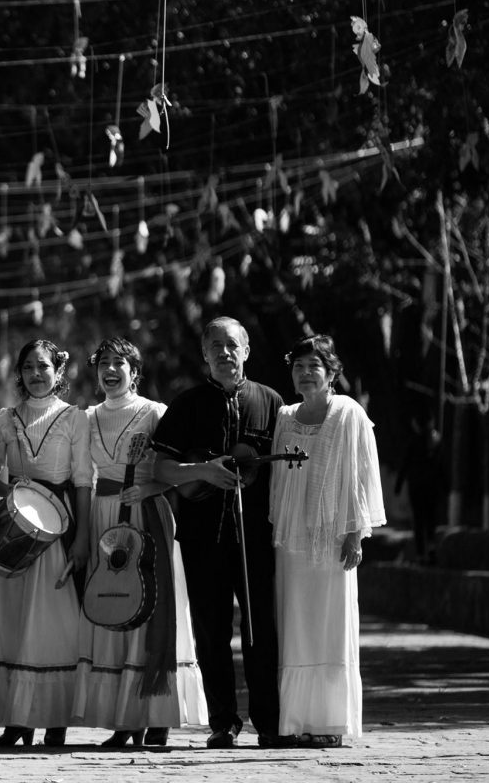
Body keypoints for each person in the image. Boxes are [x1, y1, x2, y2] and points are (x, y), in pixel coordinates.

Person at [151, 316, 283, 749]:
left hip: (258, 536)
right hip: (202, 534)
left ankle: (268, 719)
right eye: (215, 346)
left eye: (232, 345)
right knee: (211, 630)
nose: (224, 352)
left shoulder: (271, 401)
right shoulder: (186, 404)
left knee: (262, 627)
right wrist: (205, 470)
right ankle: (223, 721)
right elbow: (162, 469)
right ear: (204, 354)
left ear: (246, 350)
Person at [71, 337, 207, 746]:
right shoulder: (86, 417)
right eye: (104, 363)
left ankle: (158, 713)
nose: (111, 370)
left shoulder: (155, 412)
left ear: (135, 371)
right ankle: (126, 720)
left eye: (120, 363)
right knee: (114, 606)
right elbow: (82, 476)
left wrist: (149, 488)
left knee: (152, 609)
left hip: (147, 517)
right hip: (103, 518)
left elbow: (175, 468)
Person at [0, 340, 88, 748]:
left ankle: (54, 721)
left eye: (44, 366)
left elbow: (84, 481)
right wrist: (12, 486)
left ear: (58, 372)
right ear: (20, 372)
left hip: (57, 527)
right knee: (12, 622)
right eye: (29, 367)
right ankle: (18, 721)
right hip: (12, 527)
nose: (37, 373)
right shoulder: (6, 418)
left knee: (50, 623)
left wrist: (81, 539)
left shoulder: (75, 419)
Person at [270, 335, 386, 748]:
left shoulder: (348, 412)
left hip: (334, 537)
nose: (304, 373)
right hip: (291, 539)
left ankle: (331, 722)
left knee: (330, 625)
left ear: (332, 372)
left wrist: (356, 534)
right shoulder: (284, 415)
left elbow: (359, 476)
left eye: (313, 366)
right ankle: (296, 720)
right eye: (298, 366)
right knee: (295, 624)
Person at [394, 413, 443, 564]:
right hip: (431, 487)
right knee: (430, 519)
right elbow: (441, 465)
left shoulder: (413, 442)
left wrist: (398, 485)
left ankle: (421, 554)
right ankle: (432, 549)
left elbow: (405, 465)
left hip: (416, 487)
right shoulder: (435, 441)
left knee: (418, 519)